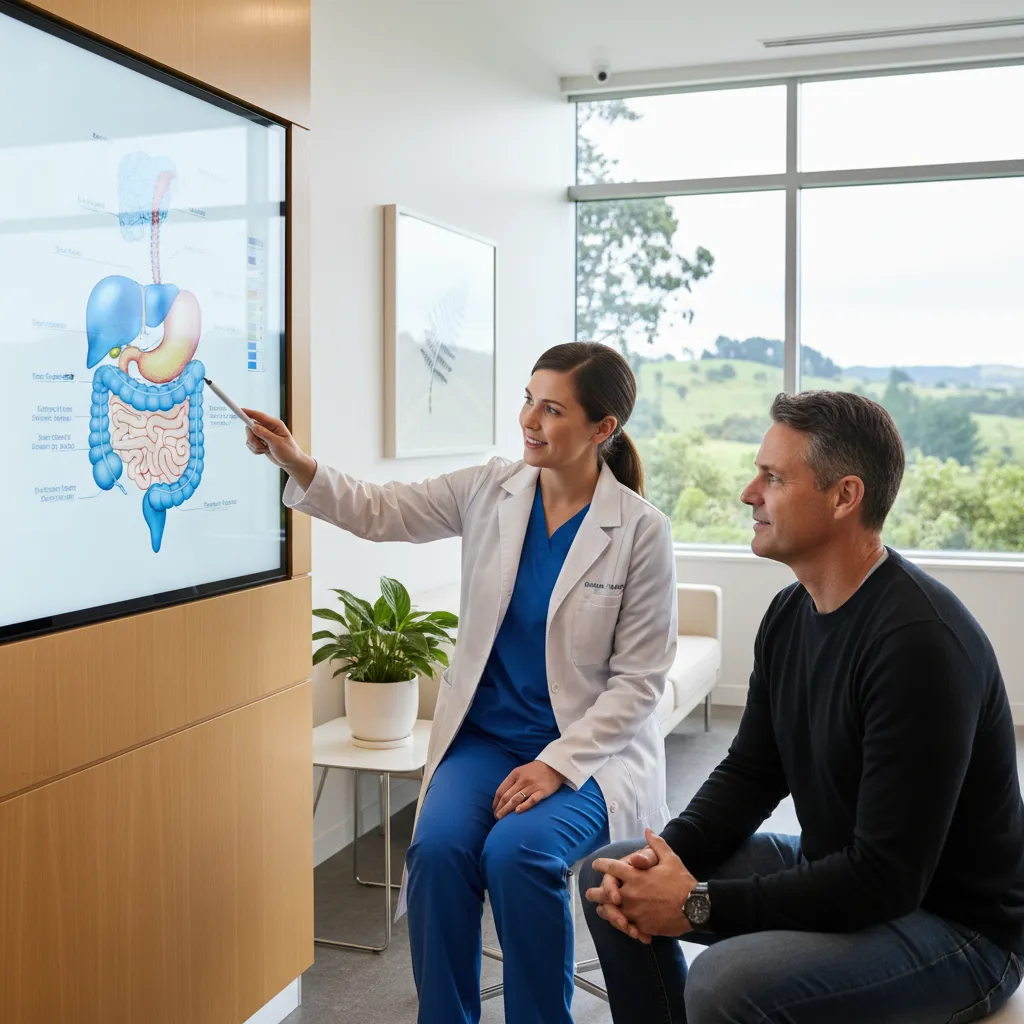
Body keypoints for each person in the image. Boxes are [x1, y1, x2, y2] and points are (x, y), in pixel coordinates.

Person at [242, 342, 677, 1024]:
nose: (530, 419)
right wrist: (297, 462)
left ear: (603, 429)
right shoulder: (489, 490)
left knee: (519, 855)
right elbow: (380, 509)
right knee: (440, 852)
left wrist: (555, 766)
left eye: (553, 408)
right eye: (528, 399)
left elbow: (640, 682)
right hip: (484, 741)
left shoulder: (641, 531)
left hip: (586, 756)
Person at [582, 389, 1024, 1024]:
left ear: (845, 497)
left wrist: (696, 904)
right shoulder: (791, 614)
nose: (748, 493)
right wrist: (667, 858)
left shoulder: (919, 646)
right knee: (613, 876)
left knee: (722, 983)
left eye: (773, 477)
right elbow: (751, 773)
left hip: (954, 928)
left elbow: (884, 881)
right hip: (840, 865)